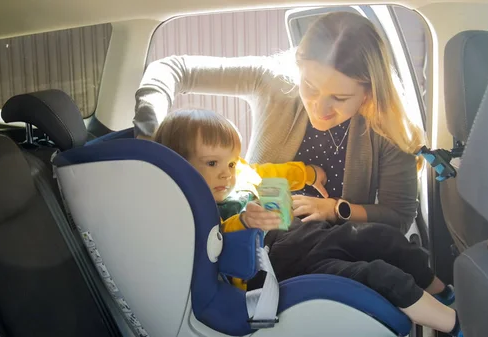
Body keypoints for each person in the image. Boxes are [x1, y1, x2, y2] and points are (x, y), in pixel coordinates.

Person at [152, 108, 461, 337]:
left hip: (304, 233)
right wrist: (245, 222)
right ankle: (457, 326)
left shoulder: (239, 176)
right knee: (379, 275)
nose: (226, 174)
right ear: (181, 168)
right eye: (211, 163)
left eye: (231, 162)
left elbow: (271, 172)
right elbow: (214, 248)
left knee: (384, 238)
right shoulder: (196, 208)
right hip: (277, 266)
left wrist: (308, 173)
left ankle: (442, 292)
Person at [133, 11, 423, 234]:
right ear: (297, 67)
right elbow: (171, 68)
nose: (319, 108)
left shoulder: (387, 129)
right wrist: (150, 144)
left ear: (368, 94)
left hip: (338, 251)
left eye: (339, 97)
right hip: (260, 245)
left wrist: (335, 208)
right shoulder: (273, 80)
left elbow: (397, 218)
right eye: (309, 86)